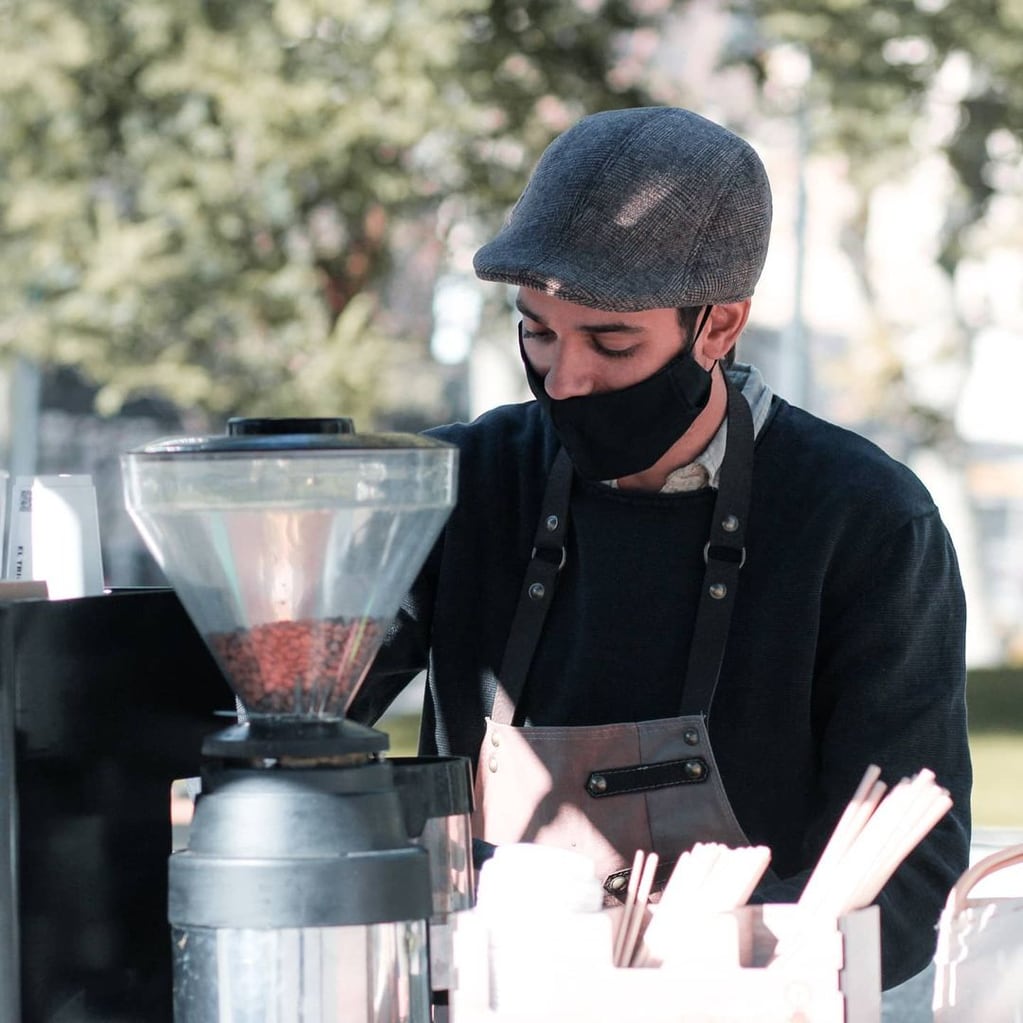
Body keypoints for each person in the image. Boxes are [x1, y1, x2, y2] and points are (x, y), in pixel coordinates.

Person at [351, 105, 972, 991]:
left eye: (609, 341)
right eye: (536, 331)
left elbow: (903, 881)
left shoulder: (863, 520)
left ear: (718, 327)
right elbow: (297, 711)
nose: (563, 379)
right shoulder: (461, 484)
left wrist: (707, 980)